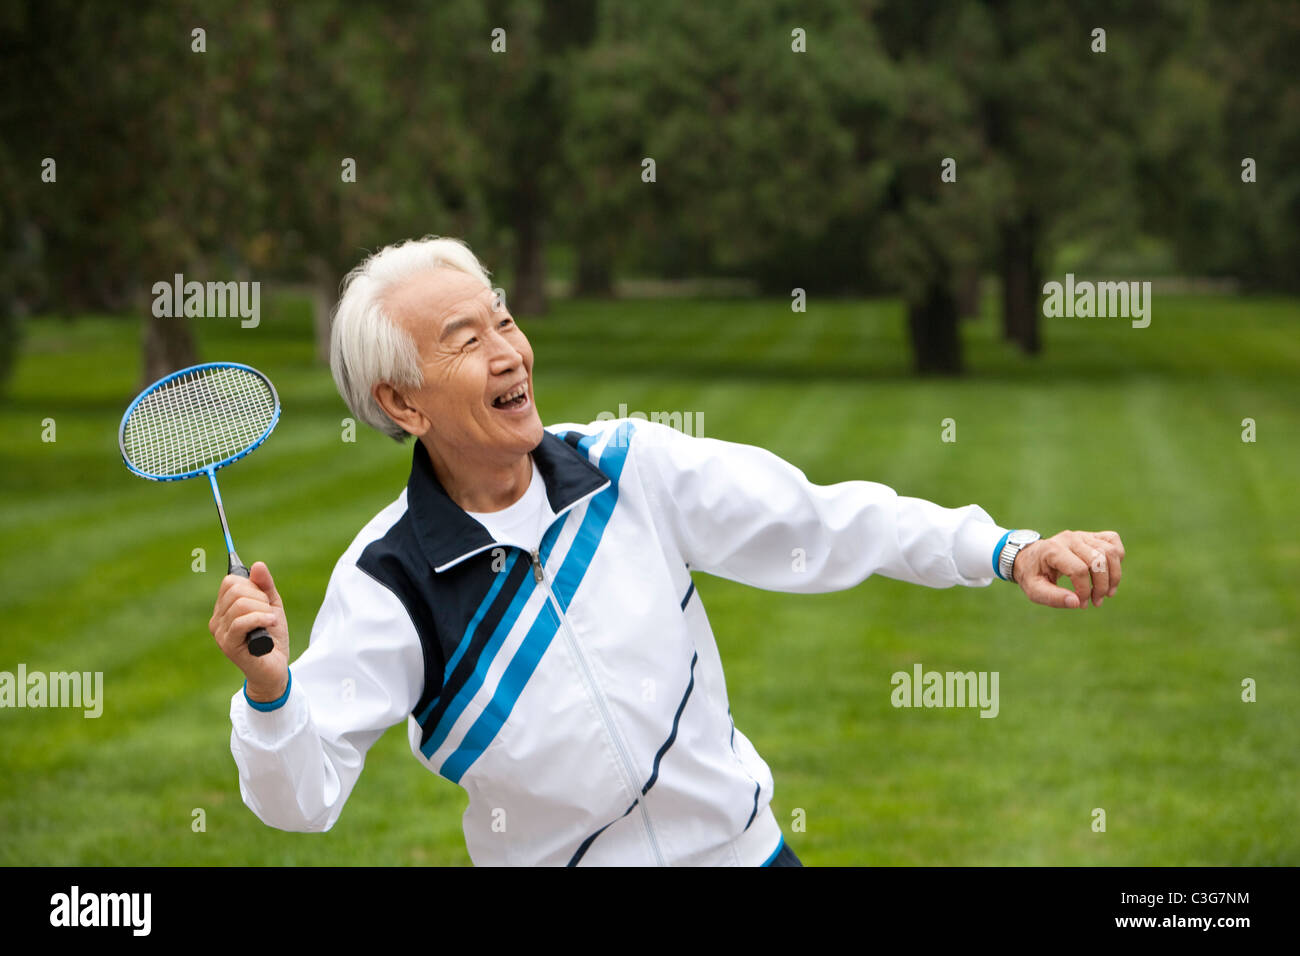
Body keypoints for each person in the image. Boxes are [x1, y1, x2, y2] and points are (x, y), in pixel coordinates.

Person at [208, 236, 1126, 866]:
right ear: (402, 405)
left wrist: (1004, 550)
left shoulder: (626, 467)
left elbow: (822, 520)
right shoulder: (390, 578)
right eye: (466, 340)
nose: (508, 352)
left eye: (504, 320)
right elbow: (302, 798)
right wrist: (270, 692)